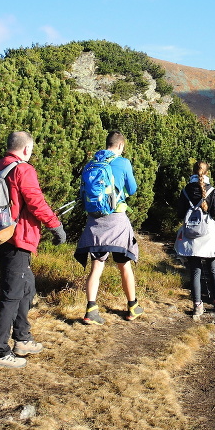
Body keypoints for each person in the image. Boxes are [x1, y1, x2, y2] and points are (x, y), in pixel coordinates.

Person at [0, 131, 67, 369]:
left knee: (27, 286)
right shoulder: (23, 169)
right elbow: (35, 202)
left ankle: (22, 338)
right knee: (12, 294)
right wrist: (55, 225)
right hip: (17, 239)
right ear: (26, 149)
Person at [74, 131, 143, 325]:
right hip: (117, 221)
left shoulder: (92, 163)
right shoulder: (123, 163)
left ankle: (91, 310)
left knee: (96, 267)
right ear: (120, 146)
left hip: (95, 221)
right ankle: (132, 307)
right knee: (124, 265)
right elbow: (133, 189)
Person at [176, 161, 215, 317]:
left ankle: (198, 305)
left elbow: (179, 214)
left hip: (190, 236)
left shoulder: (185, 190)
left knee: (195, 271)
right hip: (208, 235)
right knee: (213, 269)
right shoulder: (212, 190)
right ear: (207, 173)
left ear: (192, 172)